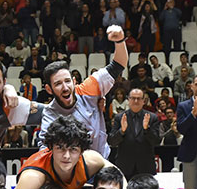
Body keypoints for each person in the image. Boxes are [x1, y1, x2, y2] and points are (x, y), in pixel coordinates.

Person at [37, 25, 128, 158]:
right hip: (72, 170)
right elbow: (44, 148)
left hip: (102, 163)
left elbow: (119, 64)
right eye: (58, 84)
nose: (65, 87)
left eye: (67, 81)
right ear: (49, 89)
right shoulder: (50, 113)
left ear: (74, 81)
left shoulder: (88, 89)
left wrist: (119, 40)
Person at [108, 88, 160, 179]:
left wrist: (146, 129)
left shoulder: (152, 117)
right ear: (128, 100)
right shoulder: (119, 117)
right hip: (125, 166)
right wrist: (122, 131)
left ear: (144, 101)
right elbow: (112, 142)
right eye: (133, 98)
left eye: (139, 98)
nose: (136, 101)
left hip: (146, 167)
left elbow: (156, 141)